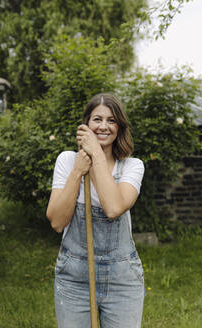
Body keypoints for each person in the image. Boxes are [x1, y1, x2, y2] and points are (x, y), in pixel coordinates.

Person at [46, 93, 145, 328]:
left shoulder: (132, 166)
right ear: (86, 124)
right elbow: (57, 222)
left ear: (119, 127)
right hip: (74, 279)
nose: (103, 126)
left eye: (111, 121)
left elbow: (113, 208)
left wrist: (97, 154)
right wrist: (77, 172)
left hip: (122, 280)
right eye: (97, 119)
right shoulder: (67, 161)